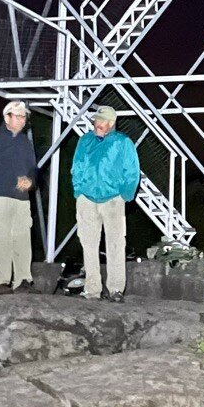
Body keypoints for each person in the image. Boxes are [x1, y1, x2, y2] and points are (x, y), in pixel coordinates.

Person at [71, 104, 140, 301]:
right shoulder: (85, 140)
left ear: (111, 123)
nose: (97, 124)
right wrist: (79, 191)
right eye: (96, 120)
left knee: (116, 243)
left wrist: (125, 195)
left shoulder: (123, 142)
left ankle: (116, 289)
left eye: (101, 121)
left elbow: (132, 171)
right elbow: (77, 166)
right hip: (87, 199)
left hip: (113, 199)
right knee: (88, 244)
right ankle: (92, 289)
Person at [0, 100, 38, 295]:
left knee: (22, 236)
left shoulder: (24, 142)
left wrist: (31, 181)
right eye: (18, 116)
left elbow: (33, 169)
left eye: (24, 117)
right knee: (1, 234)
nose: (22, 120)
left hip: (22, 197)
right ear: (7, 117)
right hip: (2, 194)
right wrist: (14, 180)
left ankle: (23, 280)